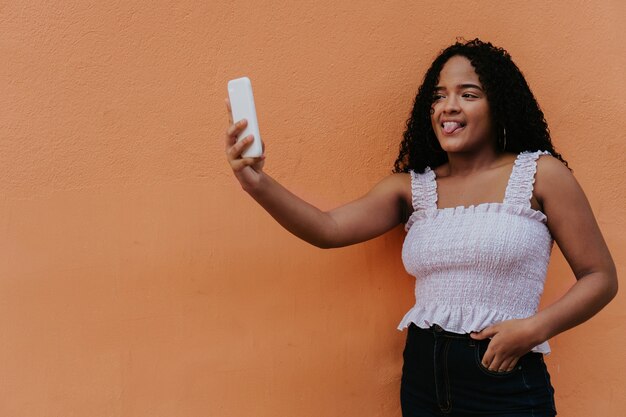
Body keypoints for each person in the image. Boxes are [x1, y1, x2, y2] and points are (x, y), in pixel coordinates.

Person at [223, 39, 617, 417]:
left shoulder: (541, 175)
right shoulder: (412, 188)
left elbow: (600, 277)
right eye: (438, 96)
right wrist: (256, 182)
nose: (448, 107)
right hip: (424, 377)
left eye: (468, 94)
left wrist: (534, 329)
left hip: (504, 375)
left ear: (499, 104)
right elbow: (327, 229)